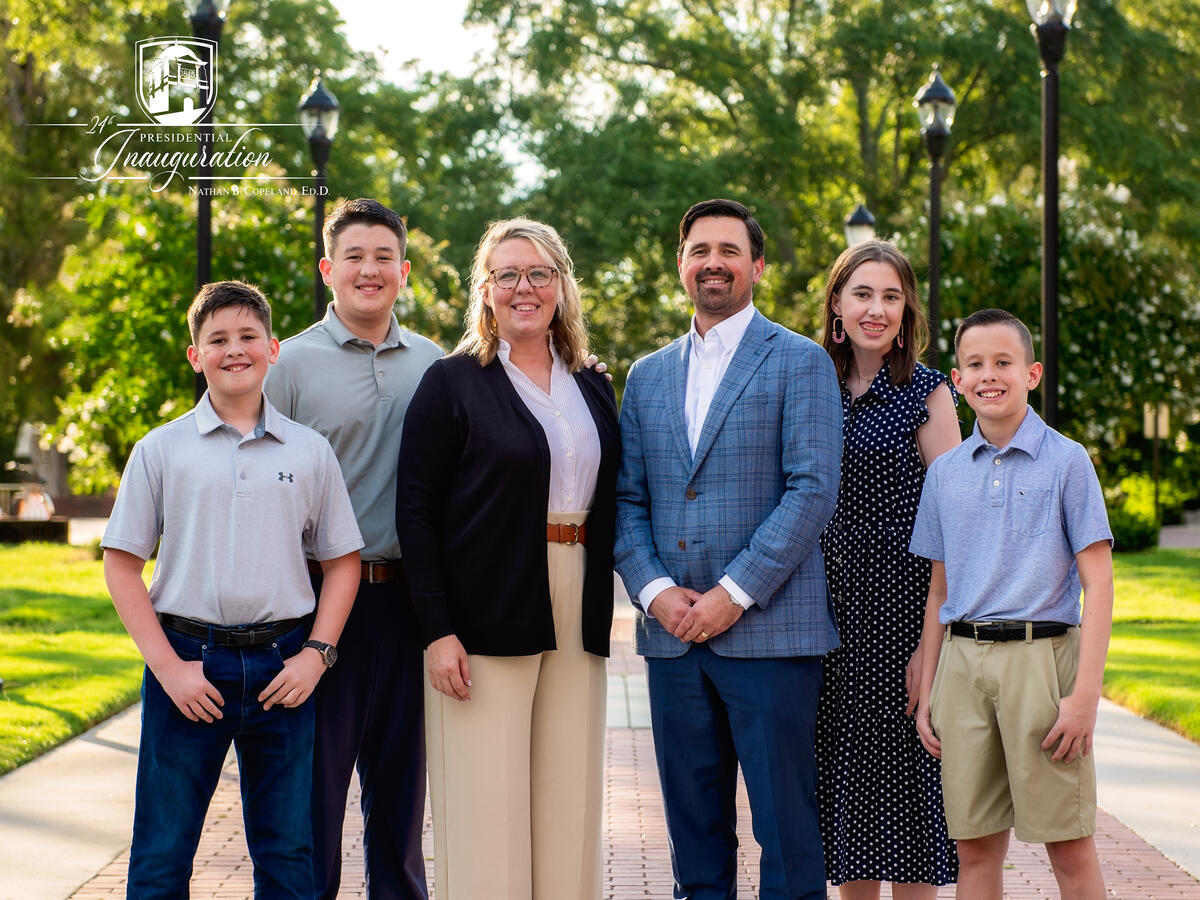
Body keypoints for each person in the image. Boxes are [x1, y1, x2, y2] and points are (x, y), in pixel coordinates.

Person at [101, 280, 363, 899]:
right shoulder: (160, 450)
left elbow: (343, 562)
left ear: (273, 349)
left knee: (288, 855)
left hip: (283, 671)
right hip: (187, 668)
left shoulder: (310, 450)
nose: (234, 349)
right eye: (217, 339)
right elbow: (120, 564)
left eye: (248, 337)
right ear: (196, 356)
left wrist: (316, 655)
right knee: (162, 853)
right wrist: (168, 669)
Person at [615, 198, 843, 900]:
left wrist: (731, 594)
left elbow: (811, 492)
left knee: (787, 834)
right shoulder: (647, 375)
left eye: (730, 250)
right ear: (681, 265)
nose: (714, 262)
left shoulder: (801, 362)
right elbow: (627, 500)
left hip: (772, 637)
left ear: (757, 266)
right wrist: (655, 591)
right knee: (694, 838)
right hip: (674, 641)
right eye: (700, 250)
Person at [395, 217, 619, 899]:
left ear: (561, 286)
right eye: (508, 275)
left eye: (540, 273)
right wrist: (437, 631)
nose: (525, 287)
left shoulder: (592, 384)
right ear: (486, 291)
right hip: (484, 602)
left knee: (567, 795)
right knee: (486, 804)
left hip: (577, 600)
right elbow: (416, 511)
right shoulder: (452, 383)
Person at [264, 198, 442, 900]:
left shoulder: (436, 363)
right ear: (327, 269)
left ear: (404, 270)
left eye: (382, 258)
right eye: (354, 257)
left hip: (409, 605)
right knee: (310, 806)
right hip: (315, 607)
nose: (369, 270)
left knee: (401, 806)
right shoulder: (290, 365)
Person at [911, 308, 1115, 900]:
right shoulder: (945, 474)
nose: (989, 375)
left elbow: (1098, 586)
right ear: (956, 378)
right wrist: (928, 686)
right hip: (963, 666)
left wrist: (1085, 698)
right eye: (975, 364)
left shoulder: (1067, 461)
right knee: (974, 851)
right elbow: (939, 591)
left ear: (1032, 373)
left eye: (1003, 362)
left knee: (1069, 846)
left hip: (1043, 664)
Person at [815, 239, 961, 898]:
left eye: (892, 297)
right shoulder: (807, 381)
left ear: (907, 311)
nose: (877, 310)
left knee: (907, 815)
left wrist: (930, 653)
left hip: (904, 618)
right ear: (837, 305)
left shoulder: (928, 393)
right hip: (820, 621)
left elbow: (955, 533)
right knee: (848, 813)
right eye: (863, 294)